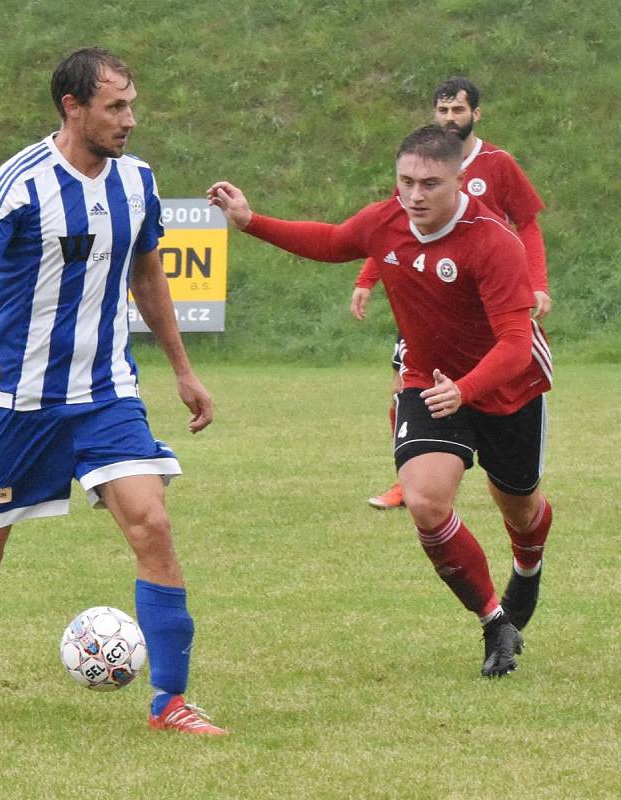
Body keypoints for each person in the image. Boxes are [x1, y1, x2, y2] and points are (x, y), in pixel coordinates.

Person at [0, 48, 228, 735]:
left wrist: (182, 369)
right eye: (115, 106)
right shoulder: (16, 183)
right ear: (73, 107)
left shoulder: (137, 182)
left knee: (152, 523)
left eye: (131, 103)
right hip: (19, 402)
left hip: (106, 392)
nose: (129, 119)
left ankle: (169, 701)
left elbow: (148, 275)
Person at [208, 124, 553, 677]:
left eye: (430, 184)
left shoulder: (492, 241)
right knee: (425, 502)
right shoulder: (388, 220)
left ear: (459, 180)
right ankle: (495, 623)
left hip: (509, 388)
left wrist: (466, 388)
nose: (415, 196)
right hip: (428, 379)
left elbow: (516, 347)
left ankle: (528, 568)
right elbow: (330, 241)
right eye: (406, 181)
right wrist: (252, 222)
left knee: (521, 508)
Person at [352, 77, 551, 510]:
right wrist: (367, 279)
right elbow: (391, 228)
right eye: (442, 111)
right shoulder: (423, 166)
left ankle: (506, 481)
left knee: (493, 397)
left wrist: (537, 284)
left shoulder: (498, 164)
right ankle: (410, 479)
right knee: (402, 384)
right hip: (426, 298)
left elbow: (528, 225)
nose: (449, 119)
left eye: (457, 111)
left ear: (475, 114)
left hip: (486, 304)